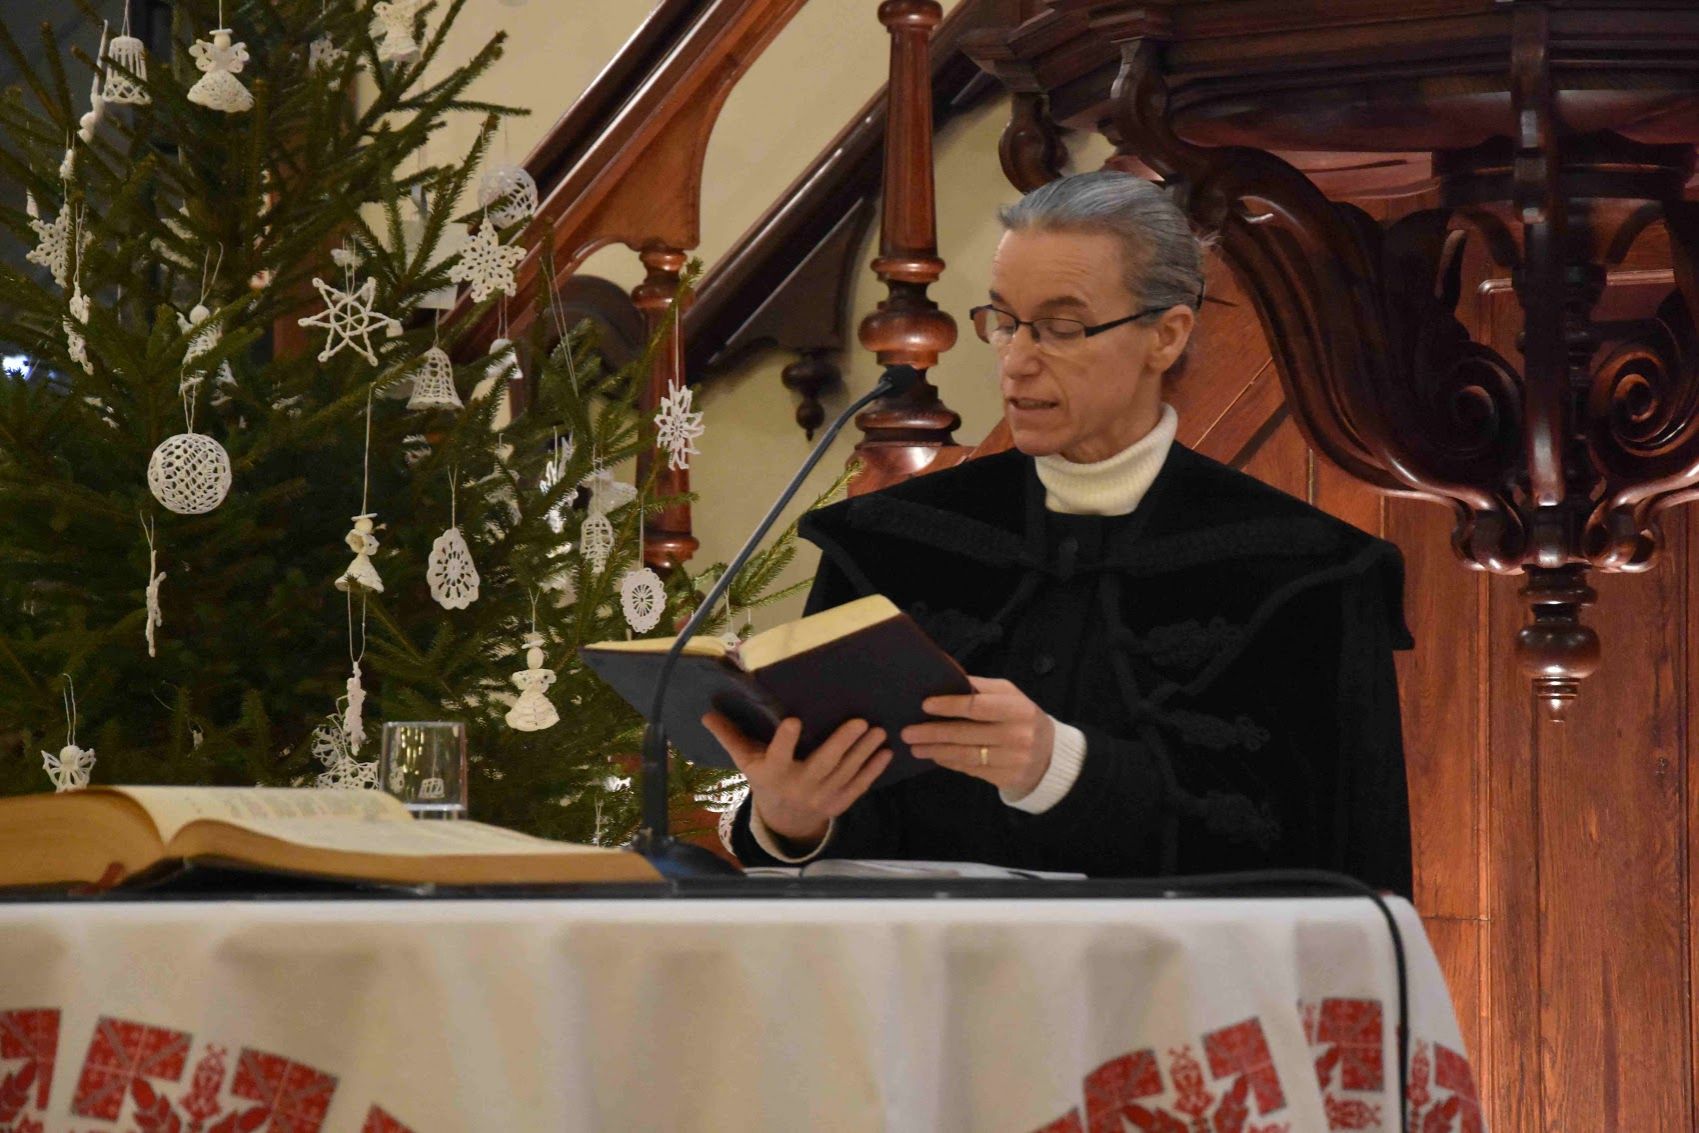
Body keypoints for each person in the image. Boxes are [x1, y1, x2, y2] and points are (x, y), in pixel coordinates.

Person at [705, 170, 1414, 895]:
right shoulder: (892, 545)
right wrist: (790, 820)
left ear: (1165, 336)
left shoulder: (1304, 573)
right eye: (1003, 321)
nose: (1016, 361)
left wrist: (1062, 768)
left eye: (1062, 328)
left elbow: (1321, 862)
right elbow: (860, 831)